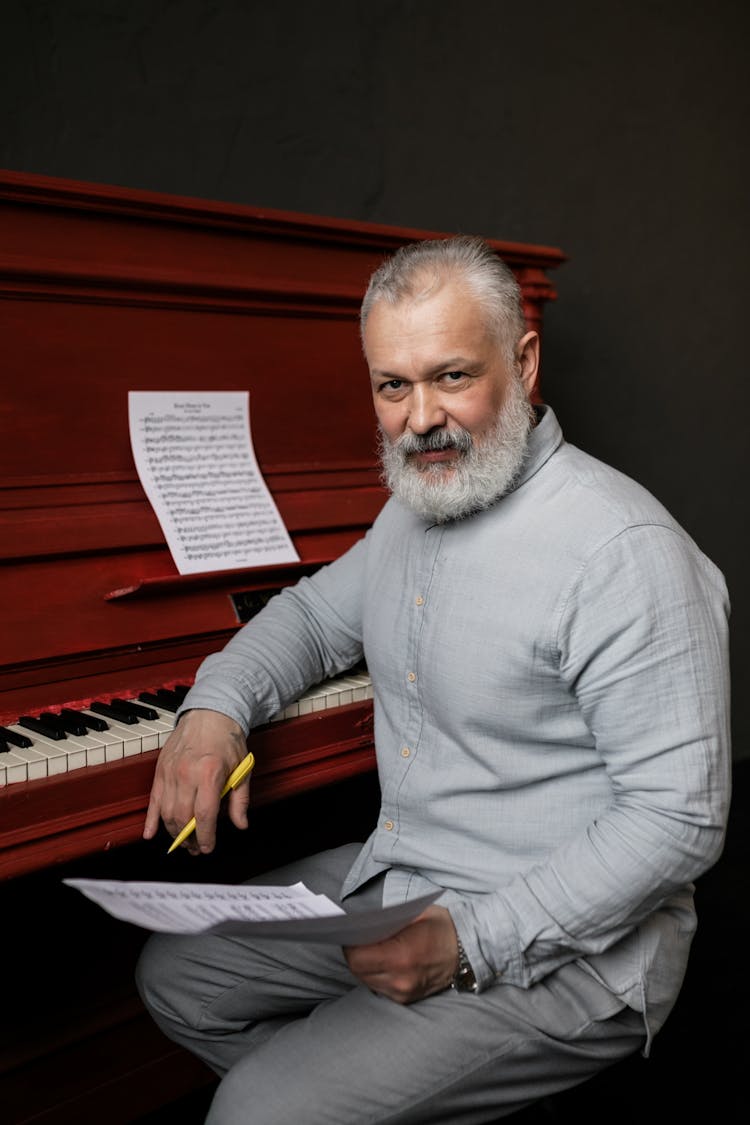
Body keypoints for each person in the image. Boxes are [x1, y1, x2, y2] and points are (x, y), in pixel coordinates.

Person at [136, 236, 731, 1124]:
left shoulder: (624, 551)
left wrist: (467, 943)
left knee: (255, 1110)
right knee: (179, 975)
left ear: (523, 361)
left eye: (452, 376)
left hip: (570, 950)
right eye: (392, 386)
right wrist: (215, 709)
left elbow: (678, 820)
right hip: (412, 874)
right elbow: (306, 617)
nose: (420, 419)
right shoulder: (418, 505)